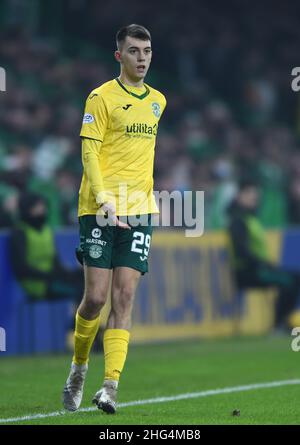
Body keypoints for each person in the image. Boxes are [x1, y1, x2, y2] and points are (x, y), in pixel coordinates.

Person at [62, 24, 166, 414]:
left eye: (148, 51)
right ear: (119, 56)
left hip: (139, 210)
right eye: (135, 51)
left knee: (124, 296)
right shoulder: (100, 97)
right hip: (99, 209)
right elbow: (89, 154)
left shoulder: (158, 101)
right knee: (96, 298)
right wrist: (105, 199)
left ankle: (110, 387)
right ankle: (78, 367)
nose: (143, 58)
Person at [227, 179, 300, 331]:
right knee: (289, 280)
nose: (255, 197)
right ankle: (279, 324)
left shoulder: (250, 219)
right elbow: (242, 252)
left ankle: (282, 322)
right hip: (247, 272)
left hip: (258, 269)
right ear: (239, 196)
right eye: (250, 193)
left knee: (293, 278)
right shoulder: (238, 221)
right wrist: (263, 264)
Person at [10, 192, 83, 302]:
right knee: (80, 290)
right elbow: (21, 268)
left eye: (43, 206)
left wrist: (73, 273)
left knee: (85, 280)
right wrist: (51, 276)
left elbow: (55, 263)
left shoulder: (47, 231)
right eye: (38, 207)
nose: (43, 210)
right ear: (27, 209)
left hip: (52, 279)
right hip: (36, 284)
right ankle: (75, 319)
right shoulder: (20, 233)